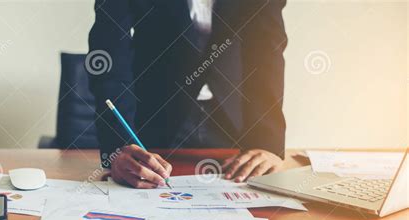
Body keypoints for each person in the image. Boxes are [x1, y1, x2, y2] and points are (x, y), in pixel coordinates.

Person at [88, 0, 288, 188]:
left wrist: (267, 143)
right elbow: (110, 50)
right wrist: (118, 145)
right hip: (151, 121)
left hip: (234, 119)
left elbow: (267, 46)